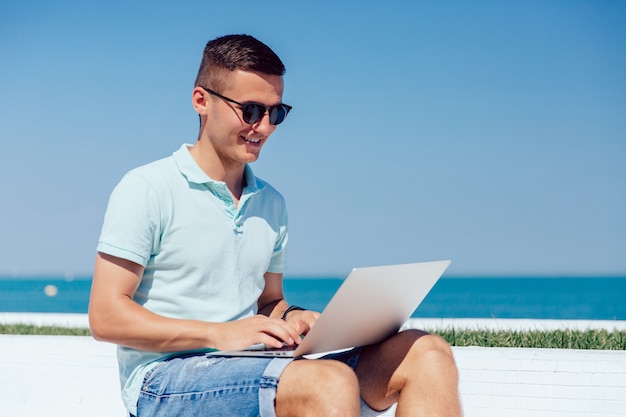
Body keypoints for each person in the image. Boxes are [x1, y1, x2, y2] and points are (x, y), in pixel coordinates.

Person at [89, 34, 462, 417]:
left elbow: (269, 301)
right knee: (327, 382)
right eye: (250, 110)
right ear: (201, 101)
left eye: (276, 113)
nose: (264, 127)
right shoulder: (147, 188)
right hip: (164, 379)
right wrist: (218, 334)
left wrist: (292, 316)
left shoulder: (271, 203)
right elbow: (105, 316)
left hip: (250, 363)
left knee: (426, 352)